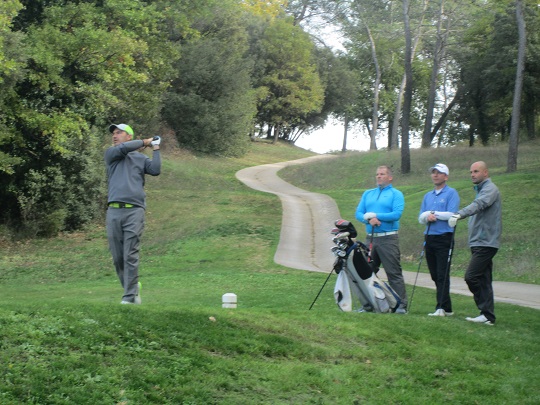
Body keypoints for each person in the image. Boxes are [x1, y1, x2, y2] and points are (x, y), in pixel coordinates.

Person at [105, 123, 161, 304]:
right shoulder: (111, 154)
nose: (115, 135)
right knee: (118, 258)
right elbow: (124, 149)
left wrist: (156, 148)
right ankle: (133, 287)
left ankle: (129, 297)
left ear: (129, 136)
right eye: (113, 133)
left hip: (134, 211)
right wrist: (145, 141)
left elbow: (155, 169)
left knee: (130, 254)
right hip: (114, 211)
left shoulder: (139, 159)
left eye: (119, 132)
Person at [449, 161, 501, 326]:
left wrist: (459, 214)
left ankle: (485, 311)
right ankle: (487, 316)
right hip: (479, 242)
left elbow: (480, 205)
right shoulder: (481, 190)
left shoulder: (490, 189)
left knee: (471, 277)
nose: (472, 174)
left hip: (486, 242)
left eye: (476, 171)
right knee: (484, 280)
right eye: (471, 172)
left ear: (485, 173)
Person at [355, 165, 408, 314]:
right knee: (366, 272)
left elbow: (396, 214)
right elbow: (359, 213)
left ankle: (401, 306)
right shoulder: (368, 194)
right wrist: (368, 219)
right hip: (371, 239)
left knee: (393, 273)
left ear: (390, 177)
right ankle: (369, 304)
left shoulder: (396, 194)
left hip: (388, 239)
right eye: (377, 174)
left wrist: (375, 216)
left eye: (382, 174)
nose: (379, 176)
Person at [418, 163, 460, 317]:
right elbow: (421, 217)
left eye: (439, 173)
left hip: (444, 237)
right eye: (433, 172)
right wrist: (428, 215)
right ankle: (447, 308)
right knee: (435, 274)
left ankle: (440, 307)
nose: (435, 175)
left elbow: (453, 214)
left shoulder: (451, 193)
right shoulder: (428, 195)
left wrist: (433, 214)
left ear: (446, 176)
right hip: (429, 237)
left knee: (442, 273)